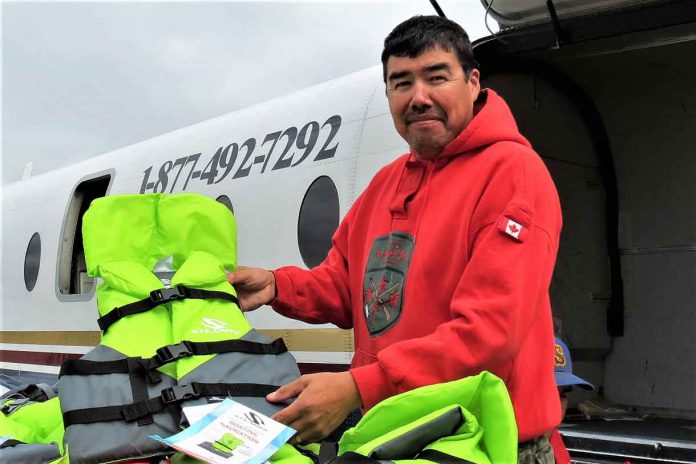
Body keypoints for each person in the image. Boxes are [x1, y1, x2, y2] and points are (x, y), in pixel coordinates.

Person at [228, 15, 563, 462]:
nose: (419, 97)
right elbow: (347, 288)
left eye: (436, 77)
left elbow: (490, 332)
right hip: (393, 436)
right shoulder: (385, 184)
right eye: (401, 83)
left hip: (486, 443)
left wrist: (357, 386)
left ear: (473, 82)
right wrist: (277, 285)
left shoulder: (512, 173)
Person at [550, 337, 595, 464]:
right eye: (549, 392)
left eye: (563, 393)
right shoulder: (505, 446)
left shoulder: (554, 439)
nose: (558, 404)